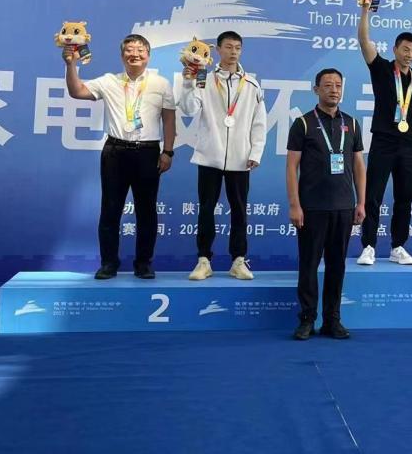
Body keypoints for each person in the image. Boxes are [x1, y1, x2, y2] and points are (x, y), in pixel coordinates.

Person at [63, 34, 176, 280]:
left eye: (140, 50)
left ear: (148, 56)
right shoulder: (108, 81)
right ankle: (108, 263)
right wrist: (71, 65)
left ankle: (143, 264)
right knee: (110, 209)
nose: (135, 54)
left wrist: (168, 151)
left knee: (147, 211)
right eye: (129, 50)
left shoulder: (161, 84)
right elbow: (77, 91)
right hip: (115, 152)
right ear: (122, 55)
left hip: (148, 152)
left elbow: (169, 119)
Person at [179, 31, 267, 281]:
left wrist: (256, 152)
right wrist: (188, 82)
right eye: (228, 47)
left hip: (241, 158)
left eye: (237, 47)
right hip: (209, 156)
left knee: (239, 211)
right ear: (217, 50)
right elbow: (188, 108)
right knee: (206, 210)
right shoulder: (205, 79)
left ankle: (238, 260)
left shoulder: (251, 85)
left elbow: (259, 122)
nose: (233, 52)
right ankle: (203, 260)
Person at [287, 69, 366, 340]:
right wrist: (295, 205)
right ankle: (307, 319)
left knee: (337, 266)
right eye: (328, 85)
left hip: (344, 207)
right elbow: (291, 166)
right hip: (312, 208)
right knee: (309, 265)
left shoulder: (351, 123)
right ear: (316, 89)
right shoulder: (303, 124)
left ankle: (332, 320)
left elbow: (358, 165)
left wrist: (361, 202)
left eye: (338, 85)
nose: (334, 90)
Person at [355, 3, 412, 266]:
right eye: (405, 49)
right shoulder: (382, 68)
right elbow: (364, 41)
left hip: (408, 145)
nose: (409, 55)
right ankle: (369, 246)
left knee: (405, 197)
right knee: (373, 195)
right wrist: (365, 10)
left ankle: (398, 246)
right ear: (395, 49)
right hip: (383, 142)